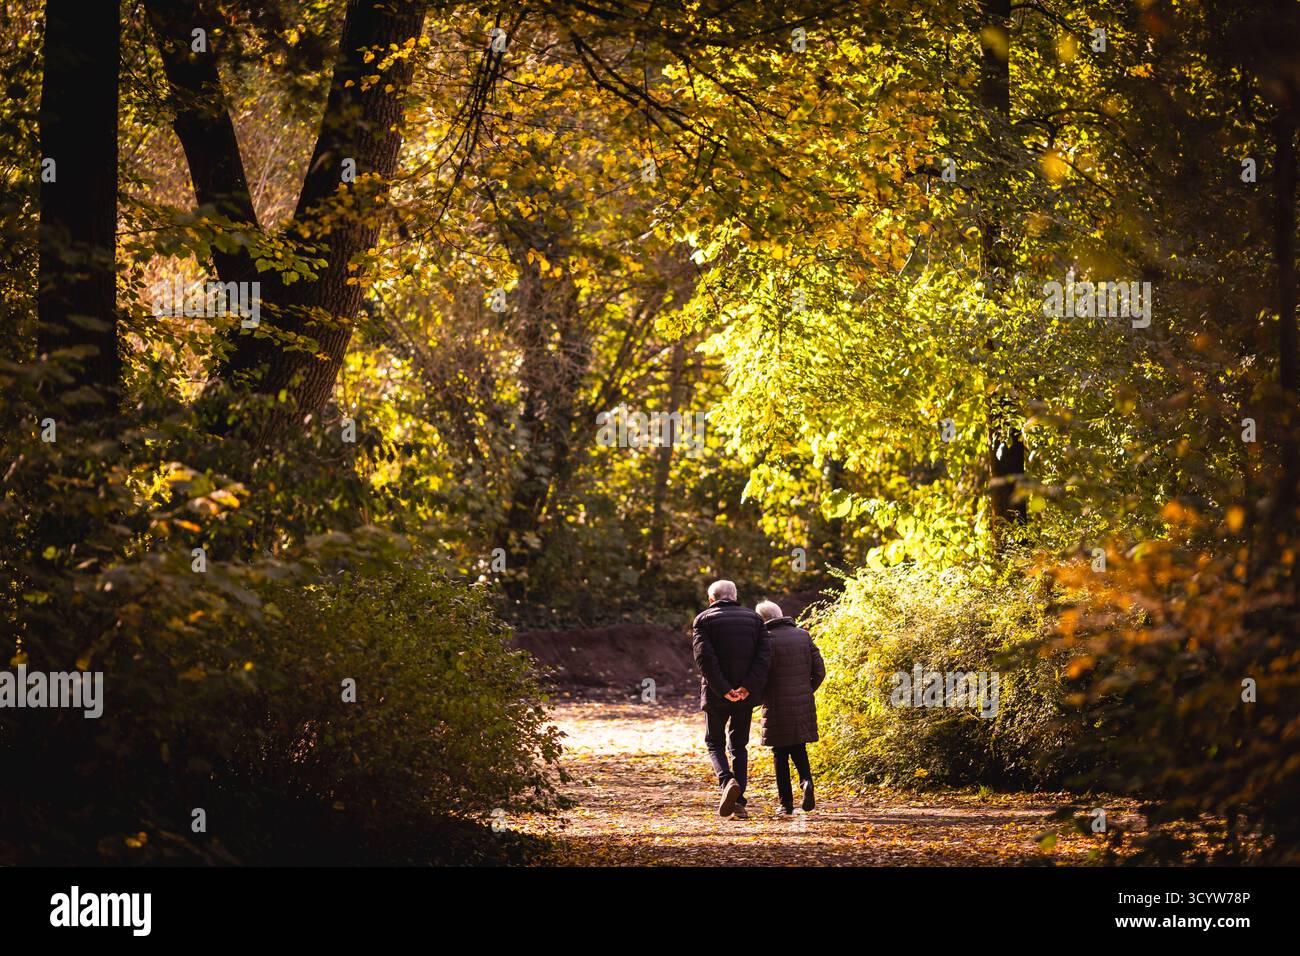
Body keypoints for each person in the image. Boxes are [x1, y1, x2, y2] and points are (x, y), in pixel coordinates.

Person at [691, 580, 772, 819]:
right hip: (745, 696)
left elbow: (704, 658)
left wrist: (723, 688)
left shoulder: (703, 620)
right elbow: (764, 657)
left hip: (716, 694)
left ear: (711, 600)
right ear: (736, 595)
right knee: (738, 745)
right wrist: (747, 687)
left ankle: (727, 781)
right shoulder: (755, 620)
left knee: (714, 742)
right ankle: (739, 803)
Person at [755, 599, 826, 815]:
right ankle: (806, 782)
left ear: (762, 619)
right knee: (799, 746)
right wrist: (805, 690)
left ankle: (785, 804)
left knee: (780, 752)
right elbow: (820, 670)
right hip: (802, 701)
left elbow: (760, 674)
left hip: (775, 703)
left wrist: (758, 697)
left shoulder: (764, 640)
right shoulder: (803, 635)